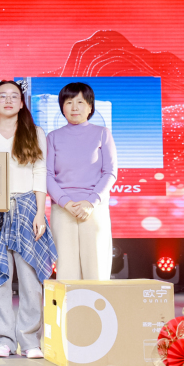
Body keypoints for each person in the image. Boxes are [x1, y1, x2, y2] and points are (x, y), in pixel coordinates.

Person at [0, 79, 58, 360]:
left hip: (28, 206)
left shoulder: (34, 132)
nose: (8, 100)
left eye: (14, 96)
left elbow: (40, 172)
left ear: (22, 101)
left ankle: (29, 340)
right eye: (2, 96)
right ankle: (4, 338)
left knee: (30, 279)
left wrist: (40, 212)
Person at [46, 82, 118, 280]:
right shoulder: (52, 137)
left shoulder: (102, 133)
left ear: (90, 107)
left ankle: (97, 303)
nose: (74, 107)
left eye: (80, 102)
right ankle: (70, 303)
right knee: (66, 270)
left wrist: (90, 202)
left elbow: (110, 172)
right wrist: (65, 202)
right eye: (69, 102)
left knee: (96, 269)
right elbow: (47, 175)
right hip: (63, 209)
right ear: (62, 107)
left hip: (94, 208)